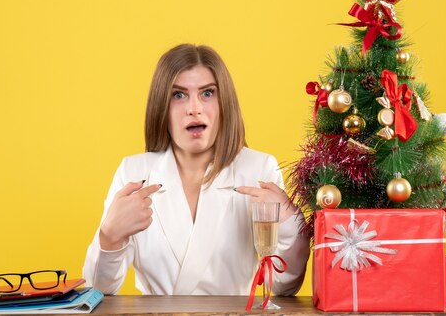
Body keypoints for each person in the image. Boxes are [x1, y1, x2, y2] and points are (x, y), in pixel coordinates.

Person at [82, 44, 309, 296]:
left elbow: (283, 287)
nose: (194, 108)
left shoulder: (258, 169)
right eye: (178, 95)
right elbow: (97, 289)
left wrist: (291, 223)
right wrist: (109, 237)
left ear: (225, 103)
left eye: (207, 93)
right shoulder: (133, 171)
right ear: (161, 107)